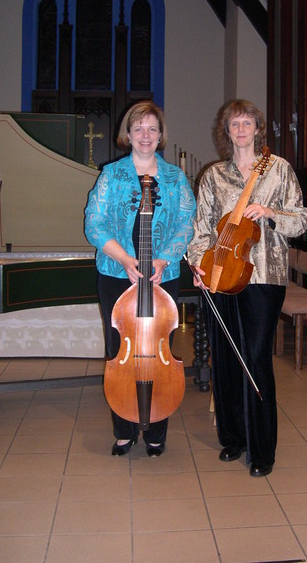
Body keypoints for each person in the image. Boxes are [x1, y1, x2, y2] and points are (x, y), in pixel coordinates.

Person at [187, 99, 307, 476]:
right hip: (221, 274)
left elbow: (301, 219)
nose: (241, 128)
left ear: (258, 129)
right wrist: (197, 263)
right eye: (234, 123)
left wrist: (272, 214)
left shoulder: (279, 170)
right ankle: (233, 439)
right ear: (226, 132)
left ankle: (261, 450)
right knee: (225, 359)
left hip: (264, 276)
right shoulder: (213, 176)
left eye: (247, 122)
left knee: (255, 359)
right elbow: (201, 228)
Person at [85, 100, 196, 457]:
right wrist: (125, 259)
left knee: (159, 348)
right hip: (117, 274)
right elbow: (94, 223)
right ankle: (123, 428)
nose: (145, 136)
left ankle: (156, 430)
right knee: (120, 350)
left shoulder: (176, 178)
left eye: (152, 129)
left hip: (163, 274)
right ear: (127, 134)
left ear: (160, 135)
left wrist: (164, 259)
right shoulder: (111, 175)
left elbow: (186, 223)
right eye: (138, 129)